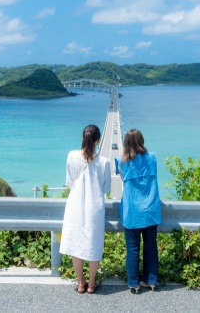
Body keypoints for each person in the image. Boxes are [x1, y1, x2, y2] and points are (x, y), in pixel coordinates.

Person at [59, 124, 111, 294]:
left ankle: (81, 283)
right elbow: (106, 188)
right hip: (94, 207)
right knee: (93, 244)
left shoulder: (71, 156)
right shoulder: (104, 162)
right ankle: (91, 284)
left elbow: (69, 182)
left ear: (83, 137)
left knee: (76, 244)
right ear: (98, 141)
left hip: (75, 205)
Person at [116, 128, 162, 293]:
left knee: (133, 248)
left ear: (125, 143)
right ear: (141, 140)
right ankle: (151, 280)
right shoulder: (153, 158)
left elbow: (123, 180)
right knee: (151, 247)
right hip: (150, 209)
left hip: (132, 211)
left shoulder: (122, 162)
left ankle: (134, 283)